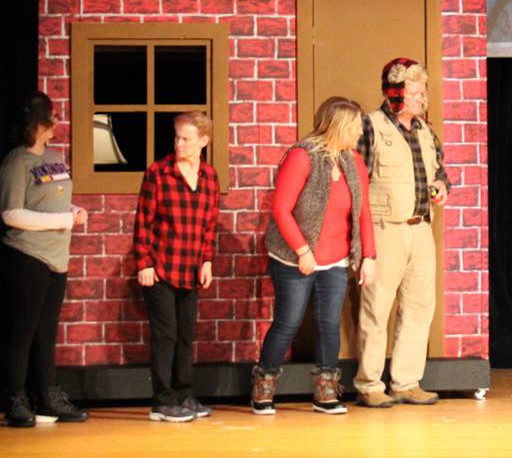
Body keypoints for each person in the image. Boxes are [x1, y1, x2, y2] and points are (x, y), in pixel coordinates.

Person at [252, 97, 378, 415]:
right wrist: (302, 251)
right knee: (288, 322)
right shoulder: (302, 156)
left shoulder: (353, 161)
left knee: (328, 323)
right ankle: (264, 383)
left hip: (334, 257)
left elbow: (363, 212)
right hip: (295, 256)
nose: (359, 134)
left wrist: (369, 255)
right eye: (354, 128)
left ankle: (325, 389)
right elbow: (281, 208)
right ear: (337, 127)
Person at [353, 58, 450, 408]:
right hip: (385, 229)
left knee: (419, 306)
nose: (421, 97)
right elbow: (356, 182)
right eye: (414, 91)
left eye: (422, 90)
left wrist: (441, 185)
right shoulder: (370, 126)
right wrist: (361, 241)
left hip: (420, 227)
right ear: (395, 94)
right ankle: (369, 384)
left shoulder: (426, 131)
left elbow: (440, 171)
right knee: (377, 308)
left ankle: (406, 381)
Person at [1, 91, 89, 428]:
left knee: (46, 332)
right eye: (50, 118)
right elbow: (11, 213)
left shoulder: (54, 156)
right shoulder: (16, 161)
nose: (55, 123)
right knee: (22, 332)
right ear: (36, 124)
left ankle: (47, 397)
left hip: (57, 258)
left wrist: (73, 211)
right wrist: (63, 221)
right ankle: (14, 398)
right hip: (27, 256)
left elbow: (52, 203)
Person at [132, 111, 221, 423]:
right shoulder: (159, 173)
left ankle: (184, 394)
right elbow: (143, 222)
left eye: (186, 139)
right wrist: (144, 262)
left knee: (186, 335)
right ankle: (162, 399)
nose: (179, 143)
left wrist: (207, 259)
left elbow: (209, 224)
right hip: (161, 267)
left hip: (191, 268)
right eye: (177, 137)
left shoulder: (209, 177)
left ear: (203, 142)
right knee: (165, 335)